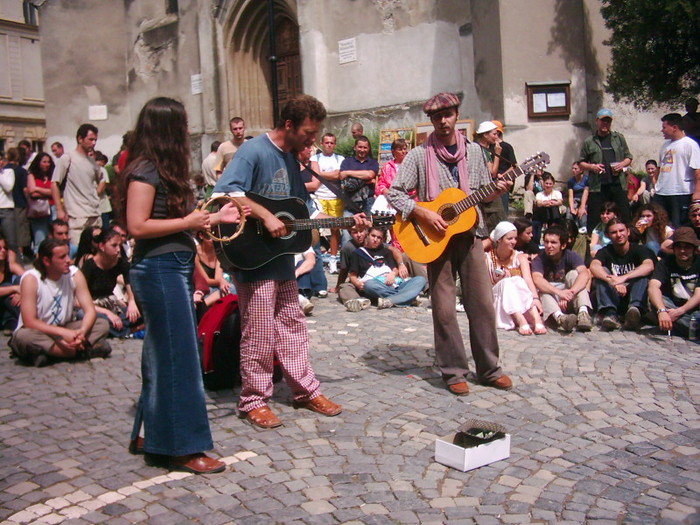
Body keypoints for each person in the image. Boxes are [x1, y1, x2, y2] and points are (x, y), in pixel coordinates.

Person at [213, 94, 367, 428]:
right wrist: (267, 217)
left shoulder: (290, 159)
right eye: (309, 132)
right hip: (252, 257)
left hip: (280, 258)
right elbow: (225, 193)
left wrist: (346, 222)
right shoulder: (254, 151)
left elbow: (300, 211)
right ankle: (253, 400)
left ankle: (305, 390)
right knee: (259, 331)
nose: (313, 139)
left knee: (293, 325)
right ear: (288, 125)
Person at [123, 97, 239, 474]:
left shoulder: (162, 169)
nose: (188, 130)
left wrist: (211, 217)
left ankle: (149, 433)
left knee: (160, 356)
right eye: (183, 123)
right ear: (166, 128)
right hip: (156, 269)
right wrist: (188, 222)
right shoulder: (144, 170)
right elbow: (137, 226)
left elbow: (179, 221)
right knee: (180, 359)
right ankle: (181, 447)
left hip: (169, 265)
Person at [387, 91, 512, 396]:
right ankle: (453, 369)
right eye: (436, 117)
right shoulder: (418, 155)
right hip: (435, 240)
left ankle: (489, 368)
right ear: (430, 120)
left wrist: (495, 192)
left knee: (482, 304)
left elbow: (483, 191)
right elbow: (395, 193)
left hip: (470, 236)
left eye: (448, 115)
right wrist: (422, 213)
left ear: (457, 115)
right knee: (443, 309)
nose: (442, 122)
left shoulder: (473, 153)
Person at [9, 239, 111, 367]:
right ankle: (78, 352)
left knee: (102, 324)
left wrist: (81, 333)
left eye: (68, 255)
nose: (68, 260)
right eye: (62, 257)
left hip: (66, 327)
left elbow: (89, 310)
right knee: (23, 336)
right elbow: (29, 321)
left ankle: (50, 354)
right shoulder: (31, 279)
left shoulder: (74, 274)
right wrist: (63, 333)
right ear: (46, 261)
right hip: (39, 331)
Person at [590, 219, 656, 331]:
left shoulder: (640, 249)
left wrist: (623, 279)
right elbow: (594, 266)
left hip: (633, 293)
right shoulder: (605, 251)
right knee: (602, 272)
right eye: (614, 232)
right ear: (607, 235)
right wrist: (611, 281)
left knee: (642, 275)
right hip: (613, 293)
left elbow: (649, 266)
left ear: (628, 232)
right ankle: (610, 313)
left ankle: (634, 312)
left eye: (621, 231)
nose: (619, 235)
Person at [485, 222, 545, 335]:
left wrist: (535, 298)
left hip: (519, 296)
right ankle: (520, 319)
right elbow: (486, 284)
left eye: (515, 238)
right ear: (499, 239)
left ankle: (535, 317)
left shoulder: (519, 256)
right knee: (506, 282)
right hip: (497, 296)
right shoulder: (488, 258)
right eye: (509, 239)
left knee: (518, 279)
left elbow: (527, 279)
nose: (514, 242)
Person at [531, 225, 593, 333]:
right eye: (546, 242)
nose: (549, 245)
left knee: (574, 274)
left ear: (563, 245)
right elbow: (537, 279)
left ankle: (583, 314)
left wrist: (570, 292)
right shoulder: (539, 259)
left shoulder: (571, 256)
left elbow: (584, 273)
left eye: (553, 242)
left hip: (570, 297)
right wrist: (559, 293)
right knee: (542, 290)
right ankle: (561, 319)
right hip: (552, 300)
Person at [347, 226, 426, 308]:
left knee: (420, 280)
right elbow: (352, 275)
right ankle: (406, 298)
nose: (375, 239)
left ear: (382, 240)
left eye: (379, 238)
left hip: (394, 284)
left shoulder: (386, 252)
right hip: (377, 285)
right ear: (367, 235)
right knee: (369, 285)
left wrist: (392, 274)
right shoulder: (357, 253)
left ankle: (392, 300)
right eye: (373, 236)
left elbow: (395, 269)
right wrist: (357, 283)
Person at [51, 123, 104, 246]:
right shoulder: (68, 158)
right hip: (77, 216)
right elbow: (54, 183)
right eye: (90, 139)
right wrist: (59, 209)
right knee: (77, 252)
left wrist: (96, 193)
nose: (94, 143)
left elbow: (102, 179)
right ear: (80, 139)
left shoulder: (92, 162)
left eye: (95, 140)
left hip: (94, 214)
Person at [81, 229, 140, 338]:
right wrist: (108, 313)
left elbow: (129, 282)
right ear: (102, 246)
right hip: (93, 306)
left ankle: (124, 329)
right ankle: (129, 331)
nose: (118, 250)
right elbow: (79, 301)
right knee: (101, 321)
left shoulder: (120, 263)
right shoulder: (90, 266)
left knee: (142, 310)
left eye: (119, 245)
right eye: (114, 246)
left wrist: (132, 302)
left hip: (111, 303)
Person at [579, 108, 632, 229]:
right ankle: (593, 242)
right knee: (594, 216)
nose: (605, 124)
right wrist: (592, 166)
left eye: (608, 121)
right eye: (603, 121)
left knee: (624, 214)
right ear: (597, 121)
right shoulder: (589, 141)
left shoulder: (618, 138)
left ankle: (628, 239)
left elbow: (629, 157)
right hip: (598, 186)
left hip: (617, 183)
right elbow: (581, 162)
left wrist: (622, 164)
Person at [648, 226, 700, 338]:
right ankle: (691, 328)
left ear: (694, 249)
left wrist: (679, 312)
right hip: (671, 306)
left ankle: (679, 326)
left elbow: (698, 295)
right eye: (679, 247)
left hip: (693, 308)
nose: (682, 251)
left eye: (687, 247)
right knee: (653, 300)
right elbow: (653, 287)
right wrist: (661, 311)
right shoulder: (665, 263)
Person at [653, 112, 700, 228]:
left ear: (674, 128)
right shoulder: (665, 145)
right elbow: (659, 168)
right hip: (662, 192)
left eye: (664, 127)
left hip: (680, 192)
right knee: (658, 223)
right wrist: (655, 185)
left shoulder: (690, 144)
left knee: (678, 225)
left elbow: (697, 170)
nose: (662, 130)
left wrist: (697, 192)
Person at [309, 133, 345, 274]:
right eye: (326, 142)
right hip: (319, 196)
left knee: (335, 229)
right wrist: (331, 174)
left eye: (332, 142)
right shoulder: (315, 158)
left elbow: (339, 175)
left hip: (335, 198)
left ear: (334, 144)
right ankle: (315, 258)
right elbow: (314, 174)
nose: (329, 145)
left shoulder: (340, 158)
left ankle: (332, 260)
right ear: (322, 144)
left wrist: (320, 173)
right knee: (315, 230)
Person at [474, 120, 506, 233]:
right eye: (494, 134)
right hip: (486, 192)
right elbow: (492, 172)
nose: (496, 137)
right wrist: (497, 154)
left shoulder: (484, 149)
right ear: (485, 134)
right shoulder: (481, 150)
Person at [332, 224, 371, 311]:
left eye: (361, 231)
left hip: (375, 281)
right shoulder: (347, 248)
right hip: (358, 283)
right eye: (355, 232)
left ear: (366, 232)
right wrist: (337, 286)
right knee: (343, 288)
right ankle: (357, 301)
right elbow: (344, 270)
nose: (359, 235)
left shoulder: (373, 242)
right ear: (350, 233)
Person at [340, 135, 379, 216]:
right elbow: (344, 181)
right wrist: (366, 179)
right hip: (350, 201)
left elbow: (369, 175)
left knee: (369, 227)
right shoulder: (347, 162)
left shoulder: (373, 163)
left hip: (368, 202)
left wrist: (348, 173)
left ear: (368, 149)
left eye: (365, 147)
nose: (362, 150)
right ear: (354, 147)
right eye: (360, 147)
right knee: (346, 227)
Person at [26, 152, 55, 250]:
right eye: (44, 162)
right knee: (40, 238)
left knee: (54, 238)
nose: (47, 164)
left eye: (48, 162)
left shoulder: (53, 176)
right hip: (39, 210)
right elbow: (32, 192)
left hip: (53, 207)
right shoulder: (31, 175)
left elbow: (56, 192)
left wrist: (38, 189)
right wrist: (50, 192)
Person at [491, 120, 517, 216]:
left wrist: (502, 176)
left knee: (502, 211)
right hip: (489, 182)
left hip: (502, 182)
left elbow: (513, 166)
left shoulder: (506, 147)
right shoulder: (488, 146)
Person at [0, 235, 22, 333]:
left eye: (5, 248)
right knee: (6, 287)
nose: (3, 251)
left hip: (5, 306)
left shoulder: (10, 265)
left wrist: (20, 293)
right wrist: (14, 288)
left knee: (20, 280)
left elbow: (29, 278)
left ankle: (11, 321)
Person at [567, 161, 589, 231]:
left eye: (576, 169)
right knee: (569, 215)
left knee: (582, 217)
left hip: (585, 201)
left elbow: (585, 193)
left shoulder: (586, 179)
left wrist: (582, 207)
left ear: (581, 170)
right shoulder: (570, 181)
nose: (573, 170)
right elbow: (570, 196)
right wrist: (572, 208)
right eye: (573, 168)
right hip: (575, 200)